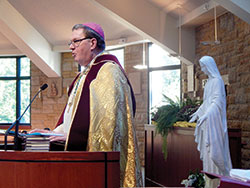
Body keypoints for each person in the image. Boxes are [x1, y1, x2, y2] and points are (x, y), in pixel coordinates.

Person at [30, 22, 142, 187]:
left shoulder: (108, 72)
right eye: (71, 43)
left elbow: (108, 124)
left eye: (76, 41)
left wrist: (73, 137)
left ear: (92, 43)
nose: (71, 47)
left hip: (95, 162)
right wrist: (53, 133)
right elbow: (71, 115)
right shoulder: (84, 75)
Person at [189, 55, 232, 176]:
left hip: (214, 123)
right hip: (207, 124)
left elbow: (217, 102)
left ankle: (218, 179)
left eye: (203, 67)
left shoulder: (218, 81)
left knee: (214, 153)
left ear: (209, 66)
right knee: (208, 155)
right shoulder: (208, 83)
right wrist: (197, 114)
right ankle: (209, 181)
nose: (202, 70)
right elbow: (207, 102)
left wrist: (206, 115)